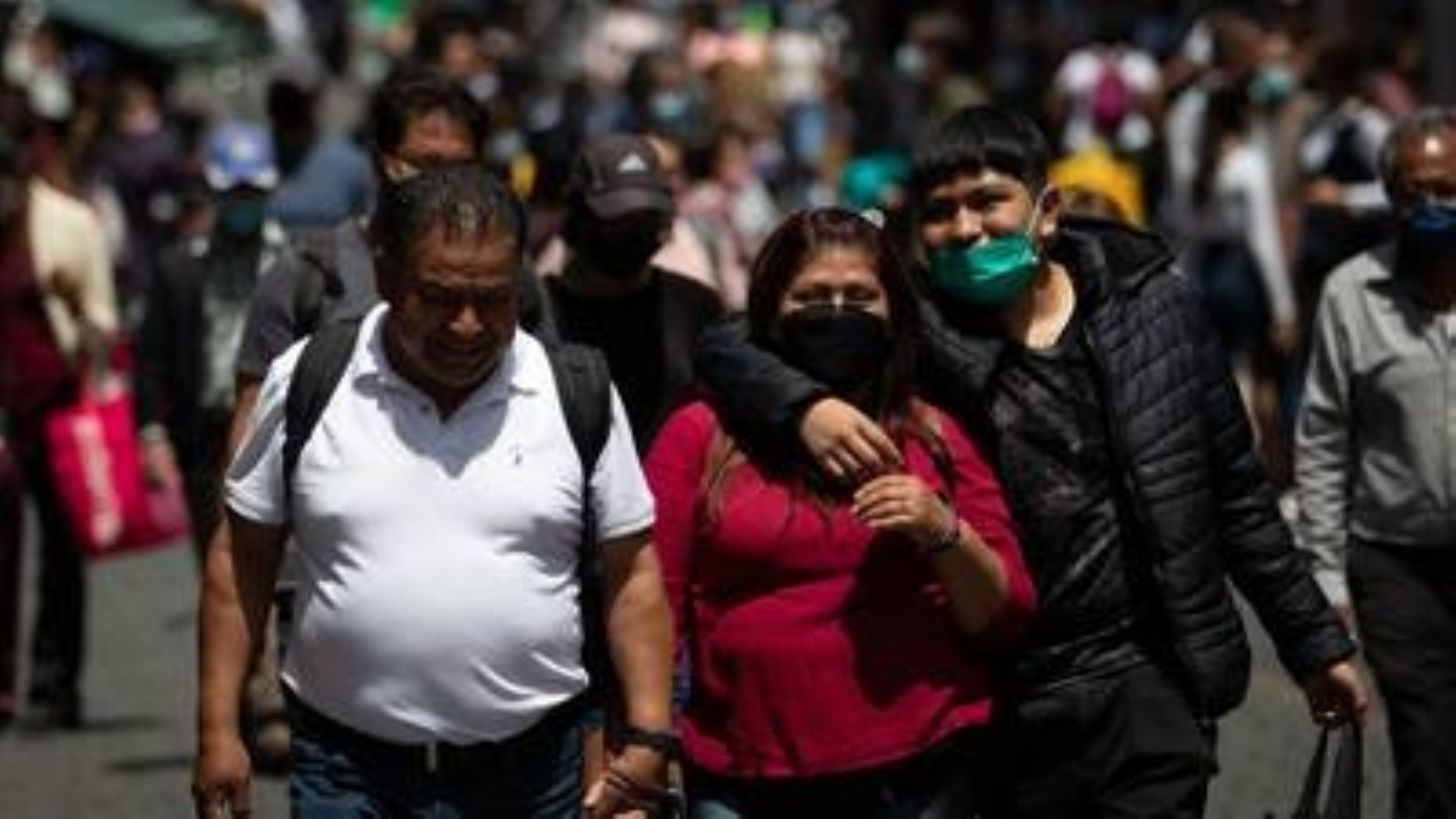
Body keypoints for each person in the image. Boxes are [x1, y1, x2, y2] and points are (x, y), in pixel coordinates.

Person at [693, 105, 1366, 818]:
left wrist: (1315, 646)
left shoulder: (1154, 306)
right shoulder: (918, 328)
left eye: (988, 201)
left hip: (1147, 680)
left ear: (1046, 212)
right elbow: (729, 343)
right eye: (941, 212)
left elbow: (1239, 495)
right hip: (1001, 696)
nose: (966, 228)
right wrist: (807, 407)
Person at [193, 163, 674, 818]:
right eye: (441, 297)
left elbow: (633, 573)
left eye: (493, 298)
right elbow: (239, 559)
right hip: (350, 775)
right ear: (387, 277)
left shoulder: (574, 391)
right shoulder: (310, 377)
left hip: (534, 780)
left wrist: (648, 734)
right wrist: (219, 731)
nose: (467, 324)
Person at [649, 208, 1034, 818]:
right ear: (770, 311)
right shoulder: (699, 435)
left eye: (859, 297)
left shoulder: (932, 433)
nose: (835, 312)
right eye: (810, 297)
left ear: (893, 312)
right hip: (744, 781)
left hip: (920, 776)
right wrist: (648, 741)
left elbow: (1003, 617)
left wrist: (942, 530)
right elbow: (653, 603)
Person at [1295, 106, 1456, 819]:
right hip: (1395, 561)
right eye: (1416, 192)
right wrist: (1328, 576)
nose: (1433, 206)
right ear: (1390, 198)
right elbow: (1323, 437)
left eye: (1448, 189)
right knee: (1429, 744)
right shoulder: (1351, 294)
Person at [0, 123, 118, 730]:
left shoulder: (69, 224)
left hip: (56, 409)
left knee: (61, 550)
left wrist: (73, 304)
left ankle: (55, 682)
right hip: (5, 413)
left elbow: (103, 321)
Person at [136, 122, 287, 562]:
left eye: (252, 192)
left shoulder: (297, 262)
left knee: (283, 567)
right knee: (217, 559)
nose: (243, 202)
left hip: (279, 432)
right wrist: (153, 435)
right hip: (205, 437)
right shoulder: (180, 266)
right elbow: (152, 357)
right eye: (233, 193)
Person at [542, 133, 723, 449]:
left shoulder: (696, 307)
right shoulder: (537, 315)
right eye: (618, 220)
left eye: (647, 219)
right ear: (579, 217)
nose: (635, 234)